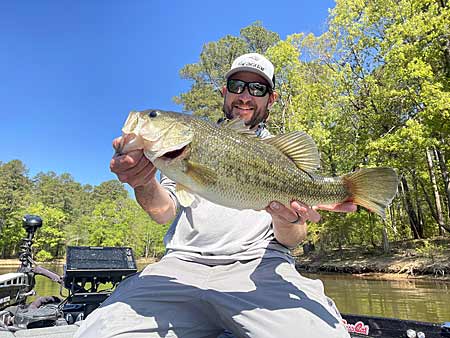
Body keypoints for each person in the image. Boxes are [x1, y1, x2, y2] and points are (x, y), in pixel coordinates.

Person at [75, 53, 355, 338]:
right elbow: (163, 212)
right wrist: (142, 182)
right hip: (179, 268)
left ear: (271, 99)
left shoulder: (279, 155)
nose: (245, 96)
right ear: (224, 92)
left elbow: (291, 239)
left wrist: (290, 219)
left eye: (258, 89)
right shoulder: (182, 150)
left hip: (261, 268)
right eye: (237, 85)